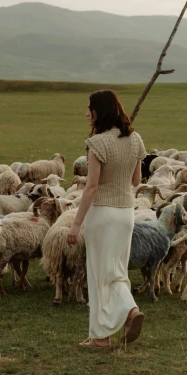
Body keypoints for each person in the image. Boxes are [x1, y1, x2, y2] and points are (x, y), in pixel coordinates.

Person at [66, 89, 147, 349]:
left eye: (90, 108)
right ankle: (114, 324)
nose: (87, 113)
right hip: (126, 213)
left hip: (102, 212)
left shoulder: (98, 143)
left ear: (101, 110)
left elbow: (91, 186)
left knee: (100, 273)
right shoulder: (135, 139)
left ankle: (108, 331)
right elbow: (136, 181)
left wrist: (76, 224)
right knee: (116, 270)